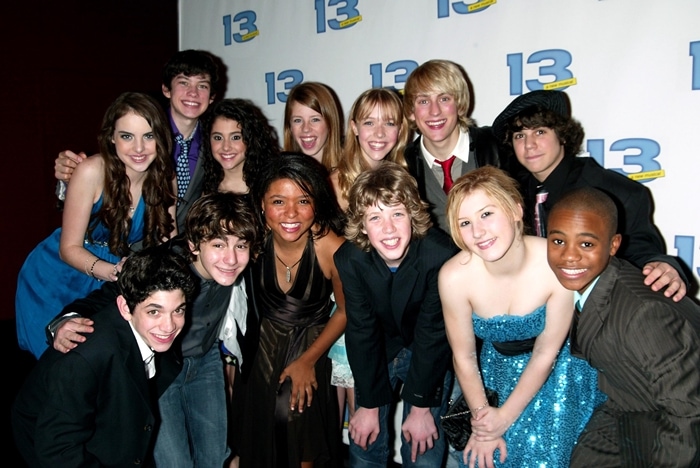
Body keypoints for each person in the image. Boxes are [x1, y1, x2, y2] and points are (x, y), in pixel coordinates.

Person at [48, 192, 260, 468]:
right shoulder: (165, 265)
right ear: (194, 245)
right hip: (161, 370)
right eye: (218, 244)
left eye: (240, 246)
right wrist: (63, 321)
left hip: (206, 362)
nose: (230, 259)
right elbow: (110, 295)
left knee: (214, 457)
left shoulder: (239, 266)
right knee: (174, 462)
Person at [439, 166, 604, 467]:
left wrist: (505, 417)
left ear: (516, 209)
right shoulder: (453, 277)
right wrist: (484, 421)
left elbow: (545, 352)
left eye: (487, 214)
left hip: (558, 374)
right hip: (491, 377)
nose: (478, 231)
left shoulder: (554, 262)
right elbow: (463, 358)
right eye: (465, 222)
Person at [16, 91, 177, 359]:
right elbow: (68, 248)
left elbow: (166, 240)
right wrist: (113, 272)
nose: (138, 148)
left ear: (161, 137)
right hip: (56, 276)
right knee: (57, 366)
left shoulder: (165, 177)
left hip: (110, 277)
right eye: (127, 136)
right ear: (112, 138)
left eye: (148, 136)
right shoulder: (91, 171)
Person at [546, 187, 700, 466]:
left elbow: (688, 412)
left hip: (678, 424)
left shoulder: (644, 313)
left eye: (586, 244)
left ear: (614, 245)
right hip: (627, 406)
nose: (569, 256)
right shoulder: (585, 281)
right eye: (558, 241)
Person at [492, 89, 689, 302]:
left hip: (594, 316)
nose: (529, 145)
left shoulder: (614, 192)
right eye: (519, 136)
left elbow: (640, 250)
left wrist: (662, 265)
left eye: (540, 132)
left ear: (562, 135)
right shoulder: (511, 193)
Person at [12, 245, 196, 468]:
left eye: (178, 310)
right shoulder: (87, 359)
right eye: (154, 311)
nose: (169, 326)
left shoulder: (152, 301)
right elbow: (58, 451)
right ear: (125, 308)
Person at [334, 162, 457, 467]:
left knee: (423, 448)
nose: (388, 229)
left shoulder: (440, 255)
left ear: (413, 216)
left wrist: (420, 408)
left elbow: (433, 332)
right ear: (362, 225)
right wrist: (369, 404)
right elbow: (361, 329)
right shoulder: (350, 259)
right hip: (378, 349)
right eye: (375, 217)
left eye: (397, 214)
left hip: (427, 350)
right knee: (364, 445)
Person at [236, 153, 346, 468]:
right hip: (261, 352)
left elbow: (345, 311)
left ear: (317, 204)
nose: (291, 213)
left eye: (303, 201)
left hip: (311, 347)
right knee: (259, 442)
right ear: (261, 204)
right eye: (278, 201)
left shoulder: (330, 247)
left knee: (302, 443)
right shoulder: (252, 241)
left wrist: (308, 361)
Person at [54, 49, 219, 231]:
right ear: (166, 89)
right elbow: (100, 181)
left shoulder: (215, 143)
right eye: (184, 83)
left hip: (172, 246)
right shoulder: (136, 128)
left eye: (202, 85)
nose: (193, 93)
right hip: (121, 245)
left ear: (212, 96)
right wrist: (68, 179)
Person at [327, 87, 411, 431]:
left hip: (398, 312)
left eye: (389, 123)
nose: (378, 133)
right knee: (352, 420)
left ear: (401, 130)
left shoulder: (407, 177)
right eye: (369, 122)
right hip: (351, 307)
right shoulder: (333, 181)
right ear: (354, 127)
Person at [403, 59, 500, 233]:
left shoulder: (497, 146)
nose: (435, 111)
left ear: (460, 105)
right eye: (423, 101)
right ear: (411, 112)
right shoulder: (404, 165)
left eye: (444, 99)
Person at [201, 97, 281, 196]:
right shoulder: (203, 188)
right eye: (218, 138)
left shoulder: (270, 186)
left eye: (235, 137)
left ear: (250, 139)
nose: (226, 147)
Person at [283, 81, 344, 171]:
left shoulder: (353, 170)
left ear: (330, 123)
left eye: (315, 119)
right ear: (289, 126)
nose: (306, 129)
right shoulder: (279, 172)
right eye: (298, 120)